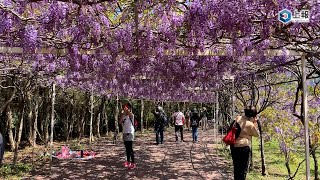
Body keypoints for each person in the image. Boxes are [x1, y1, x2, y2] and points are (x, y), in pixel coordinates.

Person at [229, 106, 259, 180]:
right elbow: (256, 134)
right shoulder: (250, 124)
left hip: (234, 146)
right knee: (243, 169)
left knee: (236, 168)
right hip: (244, 148)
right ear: (253, 115)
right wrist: (255, 122)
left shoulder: (238, 118)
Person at [119, 102, 136, 170]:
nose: (125, 108)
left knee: (130, 148)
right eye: (124, 107)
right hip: (125, 133)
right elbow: (120, 122)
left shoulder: (131, 115)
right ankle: (128, 162)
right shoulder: (124, 116)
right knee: (127, 149)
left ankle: (133, 163)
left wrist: (127, 110)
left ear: (129, 108)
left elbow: (131, 114)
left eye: (127, 107)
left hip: (130, 133)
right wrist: (122, 114)